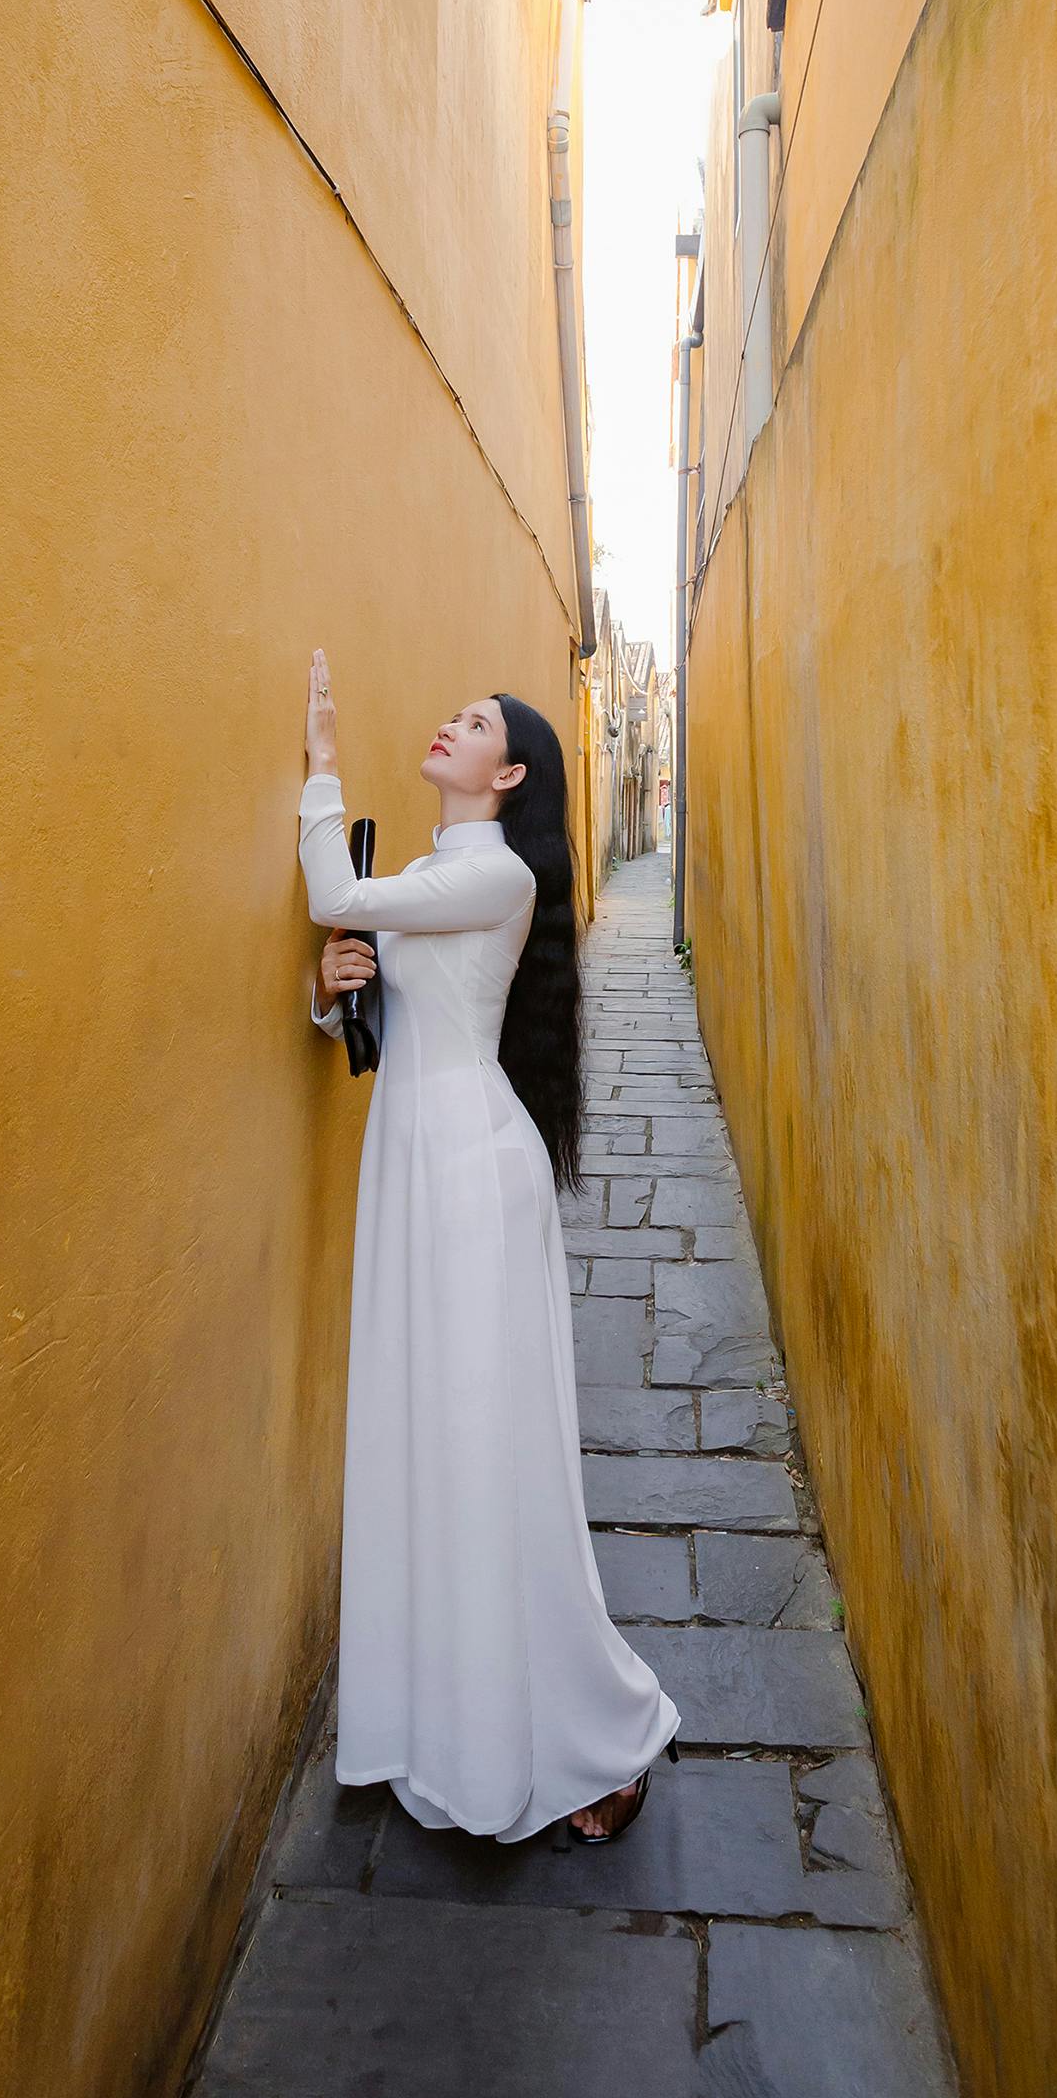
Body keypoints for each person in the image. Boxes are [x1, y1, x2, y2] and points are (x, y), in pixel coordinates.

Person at [300, 650, 679, 1845]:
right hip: (416, 1166)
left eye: (470, 725)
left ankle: (589, 1733)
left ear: (507, 772)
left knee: (485, 1445)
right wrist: (334, 989)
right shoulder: (432, 876)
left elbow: (333, 892)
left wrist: (319, 773)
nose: (444, 727)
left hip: (466, 1171)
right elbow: (368, 973)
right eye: (450, 715)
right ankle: (447, 1723)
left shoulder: (499, 873)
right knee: (427, 1439)